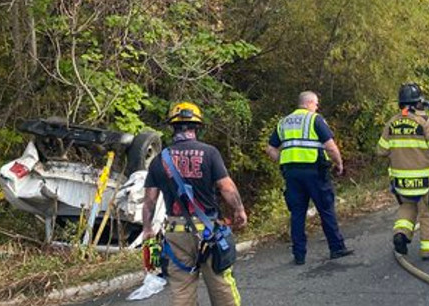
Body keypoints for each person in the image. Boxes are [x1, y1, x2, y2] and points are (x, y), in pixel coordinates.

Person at [142, 102, 247, 306]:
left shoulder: (159, 160)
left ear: (172, 127)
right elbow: (226, 187)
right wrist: (239, 210)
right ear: (197, 127)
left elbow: (149, 200)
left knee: (181, 292)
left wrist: (147, 229)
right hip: (209, 233)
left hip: (175, 234)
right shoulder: (209, 153)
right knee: (222, 287)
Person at [266, 91, 353, 265]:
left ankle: (299, 255)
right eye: (316, 104)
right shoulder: (315, 119)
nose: (317, 107)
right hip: (315, 171)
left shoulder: (283, 122)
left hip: (291, 173)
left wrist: (283, 160)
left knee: (297, 213)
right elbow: (330, 147)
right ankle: (336, 248)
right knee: (326, 209)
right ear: (309, 103)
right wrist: (339, 164)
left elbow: (270, 149)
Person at [378, 83, 429, 259]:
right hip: (423, 180)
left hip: (400, 180)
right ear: (418, 102)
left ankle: (401, 234)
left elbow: (381, 150)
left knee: (407, 206)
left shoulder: (392, 122)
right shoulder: (424, 122)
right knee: (428, 212)